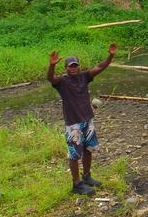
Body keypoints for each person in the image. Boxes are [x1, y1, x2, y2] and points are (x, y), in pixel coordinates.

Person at [47, 44, 117, 195]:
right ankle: (76, 184)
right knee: (74, 154)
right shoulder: (62, 82)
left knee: (88, 149)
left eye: (75, 66)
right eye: (70, 66)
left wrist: (110, 56)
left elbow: (99, 67)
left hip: (87, 120)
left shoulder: (84, 76)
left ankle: (87, 177)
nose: (73, 68)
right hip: (74, 124)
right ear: (65, 68)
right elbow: (50, 78)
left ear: (79, 66)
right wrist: (51, 65)